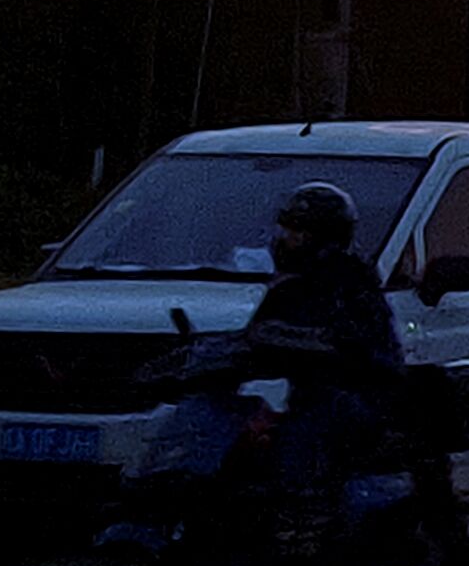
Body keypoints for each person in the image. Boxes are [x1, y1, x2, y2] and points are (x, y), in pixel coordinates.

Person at [145, 181, 404, 529]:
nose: (285, 240)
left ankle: (301, 518)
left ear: (324, 237)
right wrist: (205, 359)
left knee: (304, 432)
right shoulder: (289, 286)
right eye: (286, 230)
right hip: (308, 394)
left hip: (358, 398)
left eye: (298, 232)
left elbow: (348, 343)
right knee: (239, 427)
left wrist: (303, 343)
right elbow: (258, 334)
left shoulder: (351, 283)